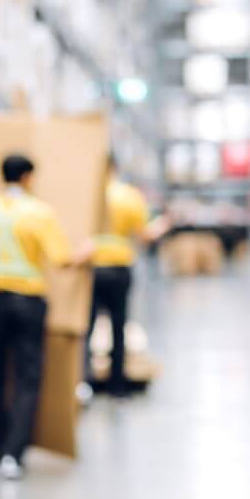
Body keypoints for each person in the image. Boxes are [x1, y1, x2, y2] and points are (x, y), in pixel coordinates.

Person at [0, 153, 83, 480]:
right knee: (28, 376)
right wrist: (87, 252)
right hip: (29, 301)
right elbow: (62, 258)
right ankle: (14, 453)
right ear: (27, 177)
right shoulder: (39, 213)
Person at [84, 157, 152, 398]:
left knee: (88, 325)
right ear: (116, 168)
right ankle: (116, 385)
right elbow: (144, 235)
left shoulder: (88, 195)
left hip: (92, 267)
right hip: (119, 267)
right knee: (118, 324)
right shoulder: (130, 196)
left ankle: (86, 381)